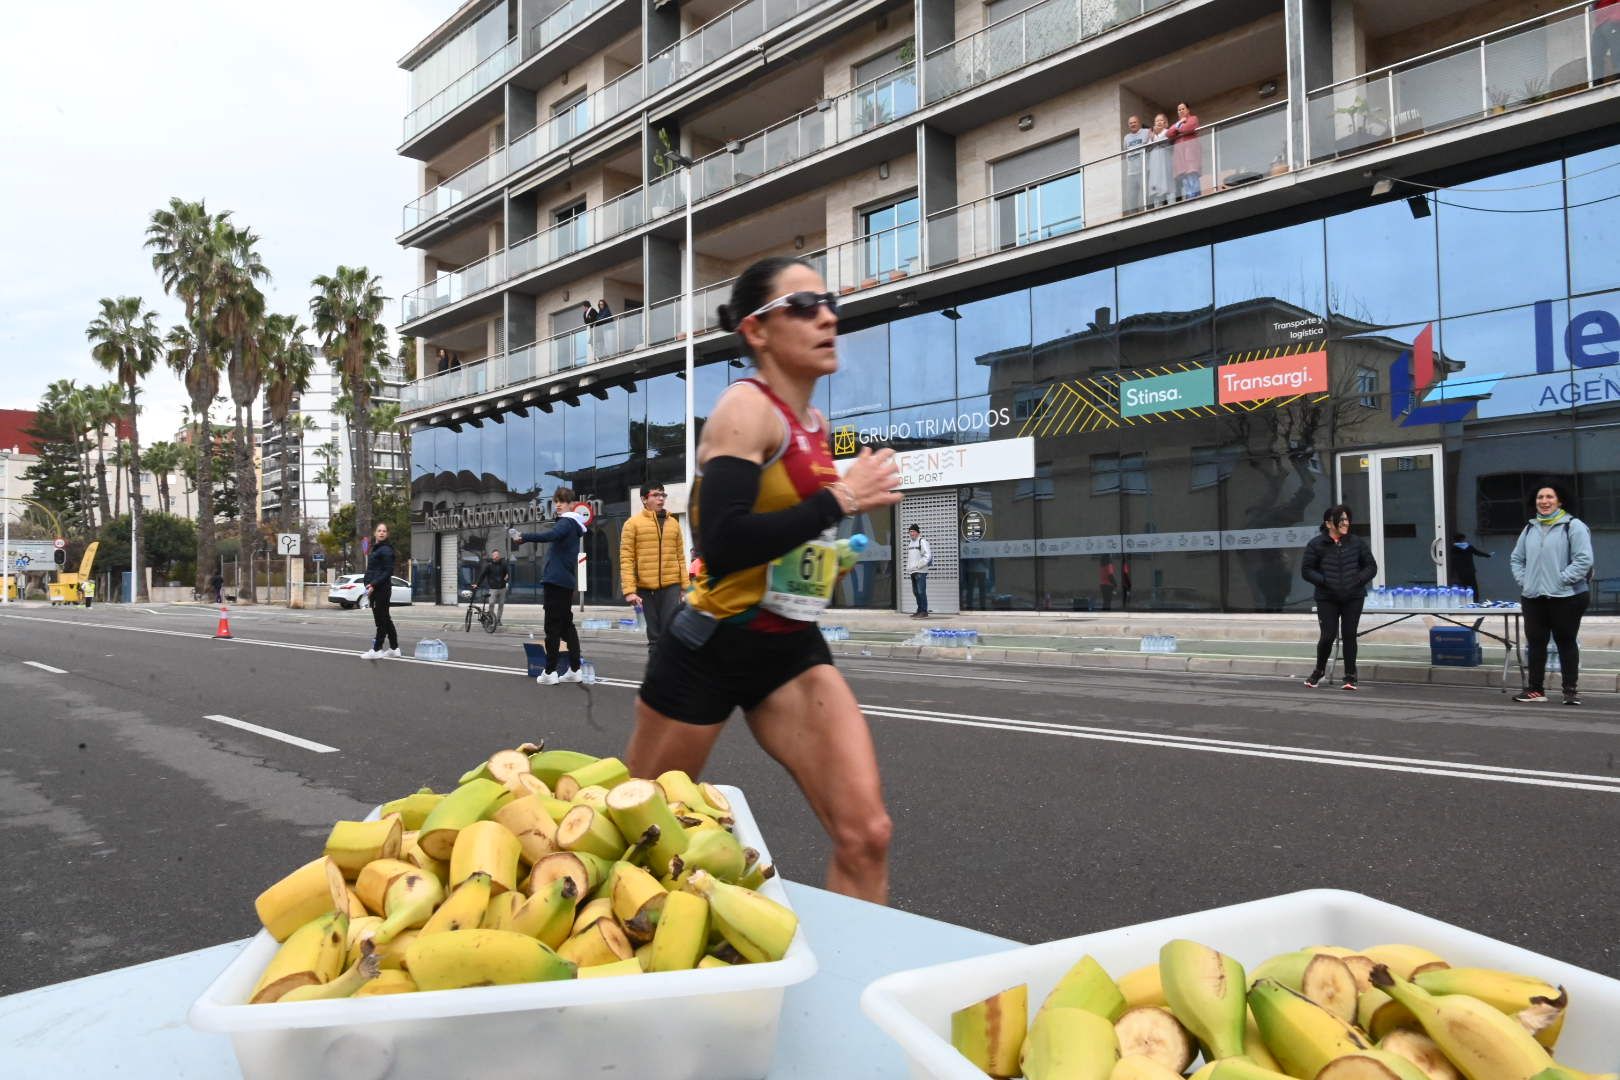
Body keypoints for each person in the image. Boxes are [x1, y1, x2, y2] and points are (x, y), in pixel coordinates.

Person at [624, 255, 903, 902]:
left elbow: (791, 534)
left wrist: (835, 549)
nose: (828, 316)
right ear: (757, 330)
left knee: (867, 833)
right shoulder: (745, 411)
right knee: (636, 843)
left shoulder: (817, 427)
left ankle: (853, 995)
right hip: (711, 649)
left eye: (830, 303)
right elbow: (721, 547)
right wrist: (841, 501)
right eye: (804, 306)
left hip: (790, 649)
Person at [1510, 483, 1593, 705]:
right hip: (1534, 596)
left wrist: (1561, 579)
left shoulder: (1573, 526)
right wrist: (1525, 581)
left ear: (1560, 501)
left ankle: (1570, 690)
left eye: (1549, 497)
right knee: (1536, 642)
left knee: (1565, 641)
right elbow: (1517, 559)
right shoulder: (1529, 528)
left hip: (1568, 596)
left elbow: (1584, 560)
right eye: (1540, 497)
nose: (1544, 501)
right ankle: (1535, 690)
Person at [511, 488, 590, 684]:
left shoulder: (566, 522)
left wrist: (525, 536)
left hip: (556, 582)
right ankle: (574, 669)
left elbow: (551, 535)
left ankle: (550, 671)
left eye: (562, 501)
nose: (558, 505)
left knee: (552, 627)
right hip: (564, 582)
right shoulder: (574, 526)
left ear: (572, 504)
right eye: (556, 501)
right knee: (566, 626)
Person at [1300, 504, 1377, 690]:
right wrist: (1324, 581)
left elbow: (1371, 567)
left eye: (1347, 519)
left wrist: (1359, 579)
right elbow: (1306, 570)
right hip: (1327, 597)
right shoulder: (1316, 544)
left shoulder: (1357, 542)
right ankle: (1319, 671)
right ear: (1328, 523)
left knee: (1350, 634)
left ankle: (1350, 676)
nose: (1345, 522)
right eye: (1341, 519)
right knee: (1327, 635)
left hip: (1353, 596)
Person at [620, 484, 688, 652]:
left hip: (671, 585)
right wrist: (629, 591)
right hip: (645, 589)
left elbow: (680, 556)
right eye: (656, 495)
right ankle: (657, 675)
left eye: (663, 495)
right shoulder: (632, 524)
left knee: (670, 633)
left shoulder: (674, 523)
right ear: (644, 499)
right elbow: (626, 559)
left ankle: (671, 675)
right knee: (655, 636)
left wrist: (685, 587)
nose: (661, 498)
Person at [361, 522, 400, 659]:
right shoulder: (376, 549)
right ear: (375, 533)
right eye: (379, 530)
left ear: (387, 534)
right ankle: (394, 648)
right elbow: (371, 570)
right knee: (386, 619)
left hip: (381, 590)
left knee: (381, 621)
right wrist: (367, 583)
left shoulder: (386, 550)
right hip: (375, 589)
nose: (382, 533)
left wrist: (373, 585)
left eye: (384, 531)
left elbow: (387, 572)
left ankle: (377, 649)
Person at [1166, 102, 1201, 201]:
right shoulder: (1179, 122)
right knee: (1185, 180)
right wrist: (1180, 123)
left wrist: (1177, 127)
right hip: (1181, 157)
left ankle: (1196, 199)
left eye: (1183, 109)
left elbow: (1187, 128)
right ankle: (1190, 199)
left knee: (1192, 176)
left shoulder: (1193, 118)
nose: (1181, 111)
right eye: (1179, 110)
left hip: (1191, 153)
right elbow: (1168, 134)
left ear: (1188, 110)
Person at [1122, 115, 1151, 214]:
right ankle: (1133, 216)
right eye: (1130, 123)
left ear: (1139, 123)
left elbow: (1151, 147)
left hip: (1144, 170)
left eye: (1134, 122)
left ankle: (1150, 213)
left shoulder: (1146, 132)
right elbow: (1126, 152)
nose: (1132, 124)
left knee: (1147, 194)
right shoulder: (1126, 138)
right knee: (1131, 198)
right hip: (1131, 173)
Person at [1450, 533, 1493, 599]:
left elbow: (1452, 560)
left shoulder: (1453, 548)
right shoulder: (1469, 547)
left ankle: (1463, 601)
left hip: (1460, 571)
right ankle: (1474, 601)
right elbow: (1478, 553)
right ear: (1462, 539)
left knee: (1462, 587)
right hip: (1470, 570)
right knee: (1473, 587)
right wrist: (1488, 555)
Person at [475, 548, 510, 628]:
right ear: (492, 556)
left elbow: (508, 573)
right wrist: (477, 584)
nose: (496, 556)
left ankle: (498, 620)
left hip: (502, 588)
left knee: (501, 605)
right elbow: (482, 575)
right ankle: (490, 619)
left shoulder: (503, 563)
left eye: (497, 555)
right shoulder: (489, 565)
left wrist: (507, 578)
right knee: (491, 604)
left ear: (499, 555)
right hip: (492, 588)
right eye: (495, 555)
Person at [905, 523, 932, 618]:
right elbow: (911, 558)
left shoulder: (922, 541)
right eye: (910, 532)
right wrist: (909, 568)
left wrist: (919, 565)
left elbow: (928, 556)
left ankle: (924, 611)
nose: (911, 534)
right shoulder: (910, 543)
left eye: (913, 531)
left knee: (921, 592)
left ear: (918, 532)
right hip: (913, 571)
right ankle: (919, 610)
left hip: (920, 571)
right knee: (916, 592)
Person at [1146, 113, 1173, 209]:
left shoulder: (1168, 131)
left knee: (1168, 187)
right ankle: (1157, 209)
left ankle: (1172, 207)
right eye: (1156, 121)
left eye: (1161, 120)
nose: (1158, 122)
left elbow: (1167, 143)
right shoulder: (1152, 136)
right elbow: (1147, 148)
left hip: (1165, 165)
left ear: (1165, 123)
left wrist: (1154, 138)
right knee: (1156, 190)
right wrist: (1152, 138)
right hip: (1155, 167)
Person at [1595, 0, 1620, 82]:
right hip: (1599, 24)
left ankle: (1618, 80)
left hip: (1613, 20)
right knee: (1595, 55)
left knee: (1616, 50)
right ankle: (1596, 84)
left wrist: (1615, 17)